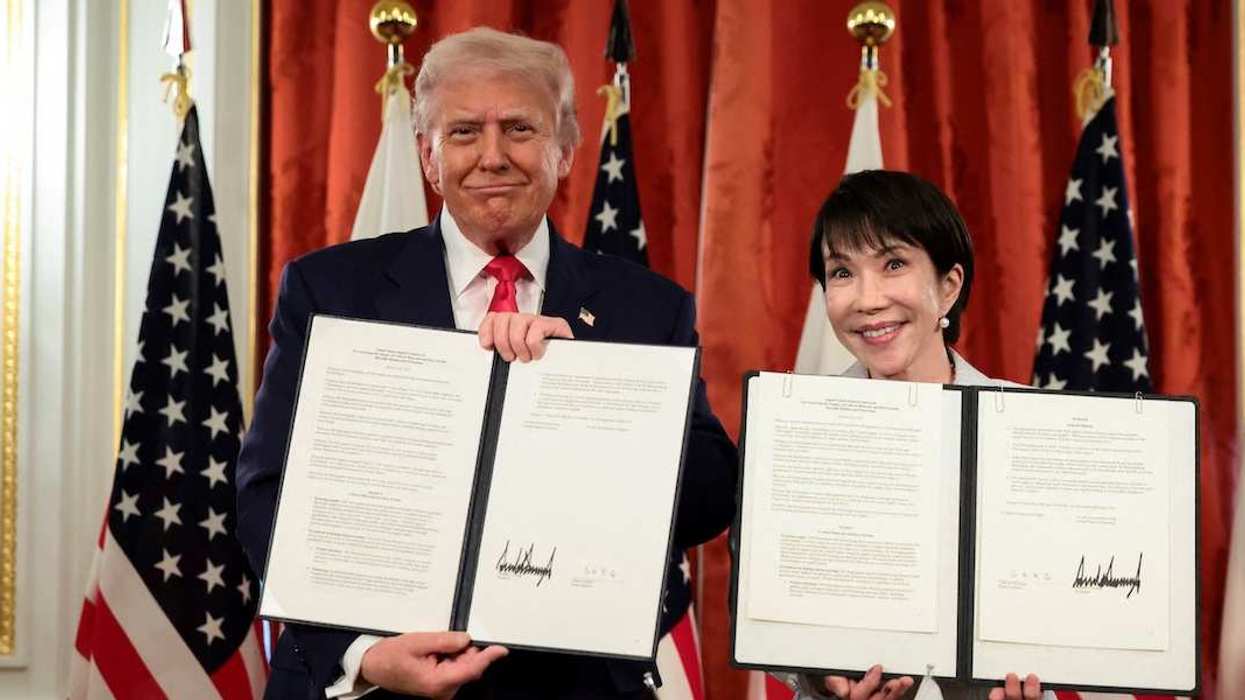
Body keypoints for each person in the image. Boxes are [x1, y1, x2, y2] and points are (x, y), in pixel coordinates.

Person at [236, 27, 738, 700]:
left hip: (574, 684)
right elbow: (266, 492)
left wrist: (588, 392)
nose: (493, 156)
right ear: (428, 156)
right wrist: (362, 655)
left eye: (521, 130)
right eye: (465, 132)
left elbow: (706, 500)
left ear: (563, 151)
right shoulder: (330, 292)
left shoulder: (647, 308)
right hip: (374, 682)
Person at [790, 170, 1048, 700]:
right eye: (842, 272)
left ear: (948, 286)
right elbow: (772, 610)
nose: (867, 298)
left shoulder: (1028, 429)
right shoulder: (793, 430)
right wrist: (822, 679)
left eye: (893, 264)